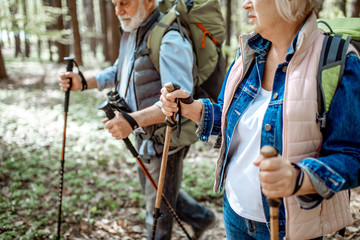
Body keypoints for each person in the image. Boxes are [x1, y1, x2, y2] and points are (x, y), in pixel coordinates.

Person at [160, 0, 360, 239]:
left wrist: (300, 178)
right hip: (234, 212)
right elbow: (229, 117)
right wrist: (190, 108)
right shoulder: (250, 53)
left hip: (287, 226)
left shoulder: (337, 60)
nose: (245, 5)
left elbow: (352, 156)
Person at [59, 0, 217, 239]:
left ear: (148, 1)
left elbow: (180, 102)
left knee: (157, 215)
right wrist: (83, 81)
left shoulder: (170, 38)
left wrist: (131, 121)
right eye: (114, 4)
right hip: (143, 133)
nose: (118, 10)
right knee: (155, 190)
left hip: (165, 140)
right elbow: (120, 70)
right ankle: (202, 217)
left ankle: (197, 218)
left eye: (125, 2)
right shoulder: (133, 31)